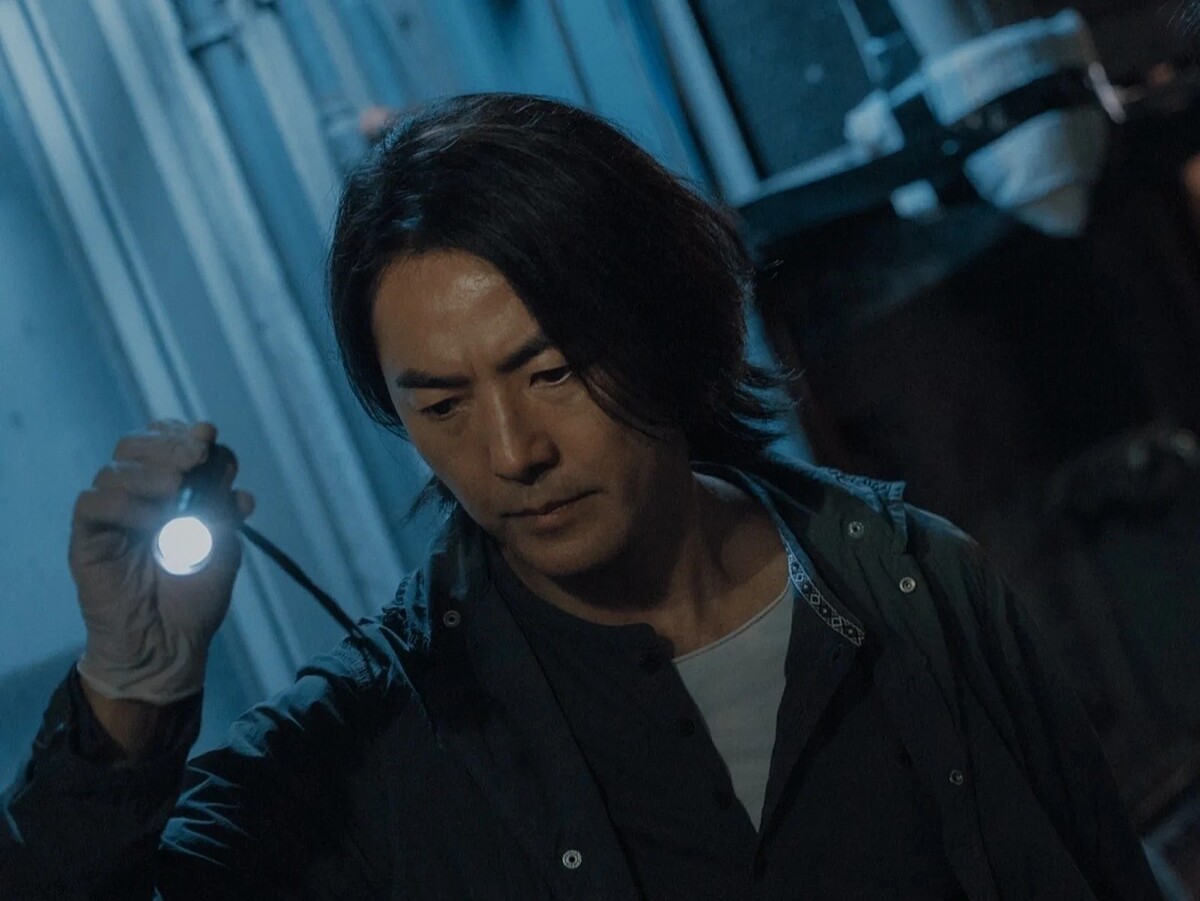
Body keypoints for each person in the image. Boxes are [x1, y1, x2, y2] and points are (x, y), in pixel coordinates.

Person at [0, 94, 1164, 901]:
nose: (511, 452)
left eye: (550, 372)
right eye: (442, 404)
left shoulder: (918, 588)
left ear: (663, 324)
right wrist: (127, 703)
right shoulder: (381, 740)